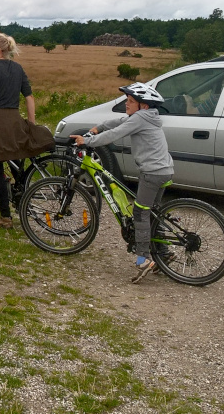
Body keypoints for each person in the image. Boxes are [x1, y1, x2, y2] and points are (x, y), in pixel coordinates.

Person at [71, 82, 174, 283]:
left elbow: (115, 134)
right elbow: (118, 122)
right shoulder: (146, 117)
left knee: (140, 212)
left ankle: (144, 259)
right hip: (165, 171)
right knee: (153, 212)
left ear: (143, 105)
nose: (127, 104)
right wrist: (96, 128)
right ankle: (164, 253)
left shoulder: (141, 118)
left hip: (152, 173)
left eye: (131, 101)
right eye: (127, 100)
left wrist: (88, 141)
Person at [0, 32, 54, 229]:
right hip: (14, 122)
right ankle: (20, 198)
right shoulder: (17, 67)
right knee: (16, 161)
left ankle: (5, 217)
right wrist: (30, 123)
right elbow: (29, 97)